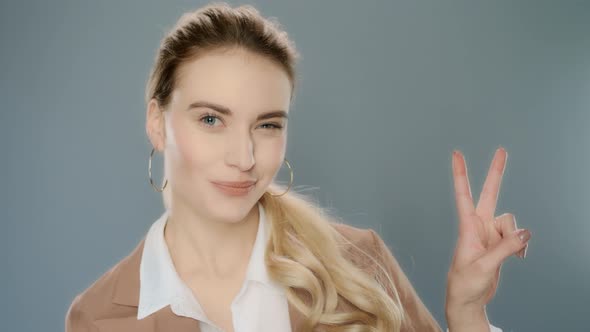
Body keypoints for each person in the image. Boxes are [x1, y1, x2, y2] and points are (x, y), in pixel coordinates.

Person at [64, 3, 531, 332]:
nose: (244, 157)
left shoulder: (358, 263)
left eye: (266, 125)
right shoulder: (97, 317)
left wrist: (467, 315)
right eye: (211, 119)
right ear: (157, 123)